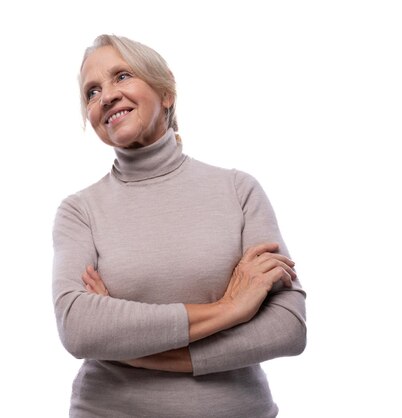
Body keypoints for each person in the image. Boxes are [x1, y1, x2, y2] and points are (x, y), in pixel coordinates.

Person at [52, 34, 306, 418]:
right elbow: (79, 328)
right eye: (92, 91)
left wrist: (141, 355)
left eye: (122, 76)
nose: (106, 96)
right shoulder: (79, 211)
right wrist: (231, 308)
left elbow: (289, 327)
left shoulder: (238, 190)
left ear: (166, 90)